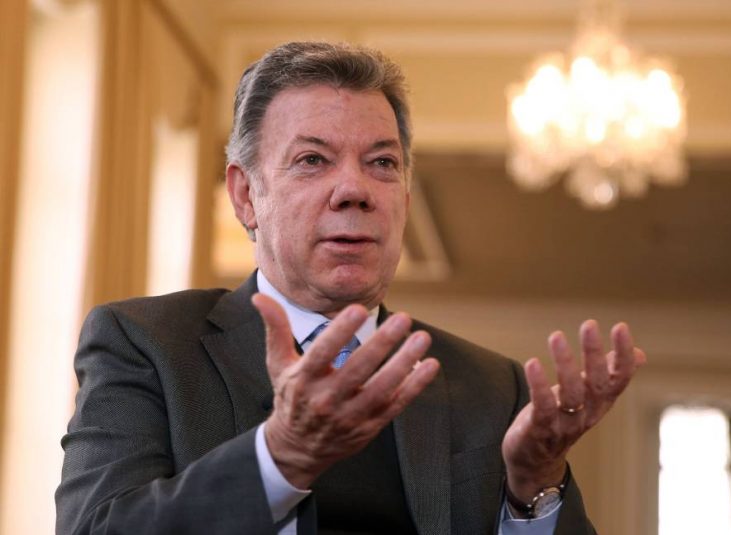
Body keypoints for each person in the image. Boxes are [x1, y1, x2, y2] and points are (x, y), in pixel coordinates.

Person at [56, 41, 645, 534]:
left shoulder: (492, 386)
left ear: (405, 198)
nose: (355, 191)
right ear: (245, 195)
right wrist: (281, 457)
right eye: (313, 160)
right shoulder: (147, 344)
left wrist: (532, 490)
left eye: (382, 163)